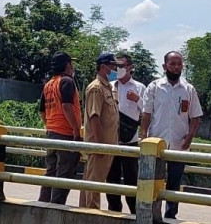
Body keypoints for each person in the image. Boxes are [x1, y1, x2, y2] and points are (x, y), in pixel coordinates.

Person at [141, 51, 203, 219]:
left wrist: (189, 138)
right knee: (153, 182)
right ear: (164, 66)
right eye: (172, 64)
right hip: (156, 143)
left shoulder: (188, 89)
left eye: (179, 64)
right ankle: (151, 215)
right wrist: (143, 136)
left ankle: (170, 216)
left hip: (179, 144)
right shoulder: (154, 87)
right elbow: (146, 114)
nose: (176, 68)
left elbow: (196, 117)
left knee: (174, 183)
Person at [79, 52, 123, 209]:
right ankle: (90, 212)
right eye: (112, 66)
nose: (115, 69)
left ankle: (86, 210)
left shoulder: (108, 88)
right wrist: (98, 145)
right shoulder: (96, 88)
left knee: (95, 180)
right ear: (103, 67)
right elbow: (94, 117)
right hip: (100, 144)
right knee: (94, 182)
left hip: (108, 144)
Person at [37, 51, 82, 205]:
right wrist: (76, 130)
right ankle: (56, 206)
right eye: (72, 64)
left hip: (52, 133)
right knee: (64, 173)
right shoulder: (67, 82)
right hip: (65, 134)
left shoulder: (48, 84)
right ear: (68, 65)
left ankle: (43, 203)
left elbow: (42, 111)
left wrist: (50, 126)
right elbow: (67, 107)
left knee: (51, 171)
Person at [106, 53, 146, 214]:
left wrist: (138, 99)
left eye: (121, 66)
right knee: (111, 180)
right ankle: (114, 211)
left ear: (130, 67)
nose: (118, 69)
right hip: (111, 140)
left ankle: (134, 213)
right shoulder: (109, 86)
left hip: (130, 142)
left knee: (131, 180)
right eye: (116, 66)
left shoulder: (139, 88)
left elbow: (148, 113)